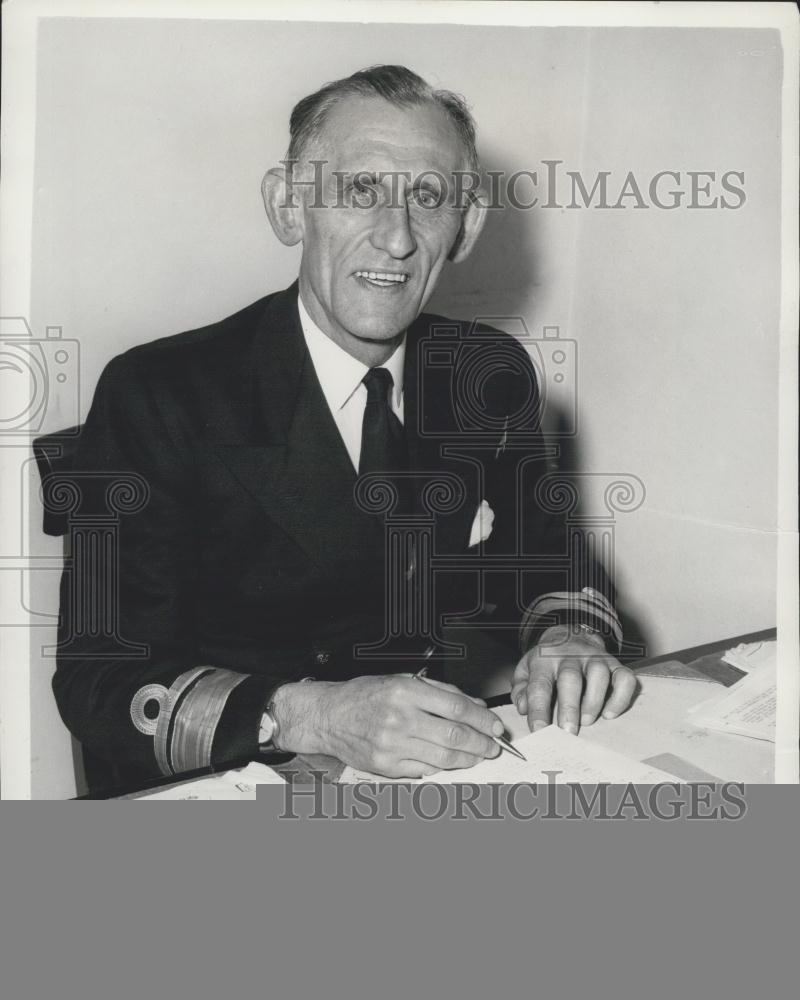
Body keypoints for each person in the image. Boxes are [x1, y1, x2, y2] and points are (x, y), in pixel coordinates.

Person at [52, 65, 635, 791]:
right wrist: (311, 716)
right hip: (237, 774)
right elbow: (98, 680)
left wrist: (567, 635)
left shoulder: (485, 371)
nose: (396, 238)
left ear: (466, 226)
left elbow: (544, 556)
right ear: (289, 207)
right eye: (361, 190)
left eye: (428, 197)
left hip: (424, 774)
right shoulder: (160, 394)